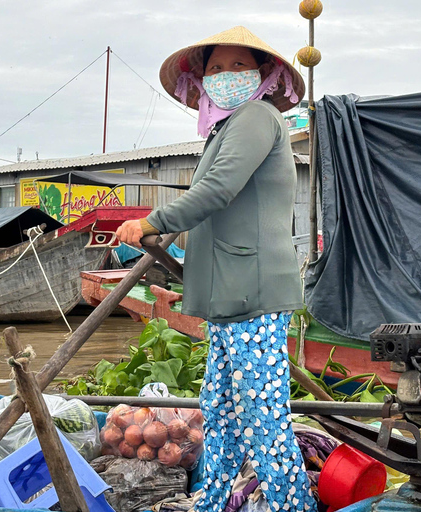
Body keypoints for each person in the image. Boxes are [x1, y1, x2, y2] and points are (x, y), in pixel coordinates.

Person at [116, 27, 316, 512]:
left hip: (254, 294)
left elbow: (218, 189)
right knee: (221, 412)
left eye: (237, 66)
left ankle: (293, 506)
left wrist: (152, 221)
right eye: (215, 69)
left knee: (264, 420)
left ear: (262, 73)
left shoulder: (257, 116)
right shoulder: (224, 130)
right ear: (203, 80)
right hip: (230, 297)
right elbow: (216, 213)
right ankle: (214, 501)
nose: (226, 75)